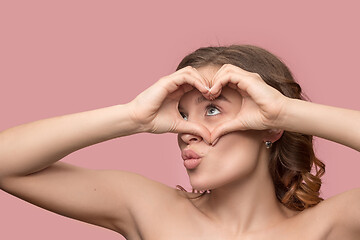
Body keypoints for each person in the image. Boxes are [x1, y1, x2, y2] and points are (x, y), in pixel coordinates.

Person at [0, 45, 359, 239]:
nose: (186, 131)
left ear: (269, 127)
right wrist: (132, 116)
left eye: (213, 110)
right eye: (183, 114)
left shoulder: (327, 227)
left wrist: (284, 111)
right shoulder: (149, 208)